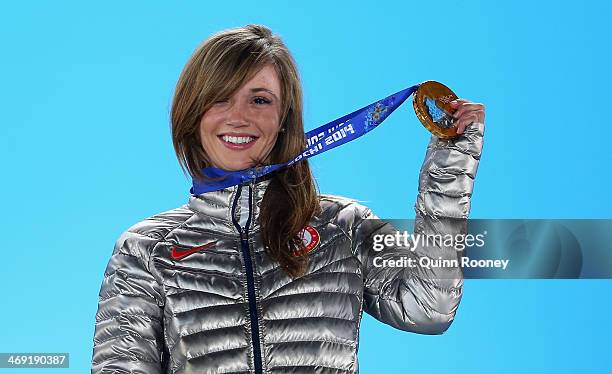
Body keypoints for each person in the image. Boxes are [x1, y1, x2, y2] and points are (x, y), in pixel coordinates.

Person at [91, 24, 485, 374]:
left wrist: (451, 164)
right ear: (192, 114)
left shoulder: (343, 225)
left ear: (284, 118)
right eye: (219, 98)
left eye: (260, 100)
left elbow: (428, 308)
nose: (238, 117)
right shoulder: (145, 249)